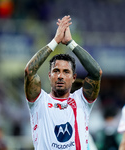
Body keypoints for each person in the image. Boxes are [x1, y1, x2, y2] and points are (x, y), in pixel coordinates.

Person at [24, 15, 102, 150]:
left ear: (73, 77)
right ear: (49, 75)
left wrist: (70, 43)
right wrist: (55, 41)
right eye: (56, 71)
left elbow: (96, 73)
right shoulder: (39, 101)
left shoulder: (81, 101)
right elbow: (29, 71)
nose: (60, 76)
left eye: (66, 72)